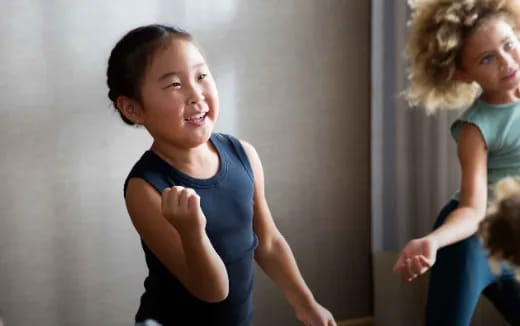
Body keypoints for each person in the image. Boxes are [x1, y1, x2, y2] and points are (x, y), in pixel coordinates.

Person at [106, 24, 336, 326]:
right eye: (174, 84)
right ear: (133, 109)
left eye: (201, 76)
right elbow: (213, 291)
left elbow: (267, 242)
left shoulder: (243, 155)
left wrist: (307, 305)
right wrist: (192, 233)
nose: (195, 93)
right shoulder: (146, 189)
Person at [391, 1, 520, 325]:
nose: (506, 62)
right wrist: (432, 241)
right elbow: (474, 209)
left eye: (509, 45)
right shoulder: (476, 128)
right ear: (463, 74)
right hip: (468, 242)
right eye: (487, 58)